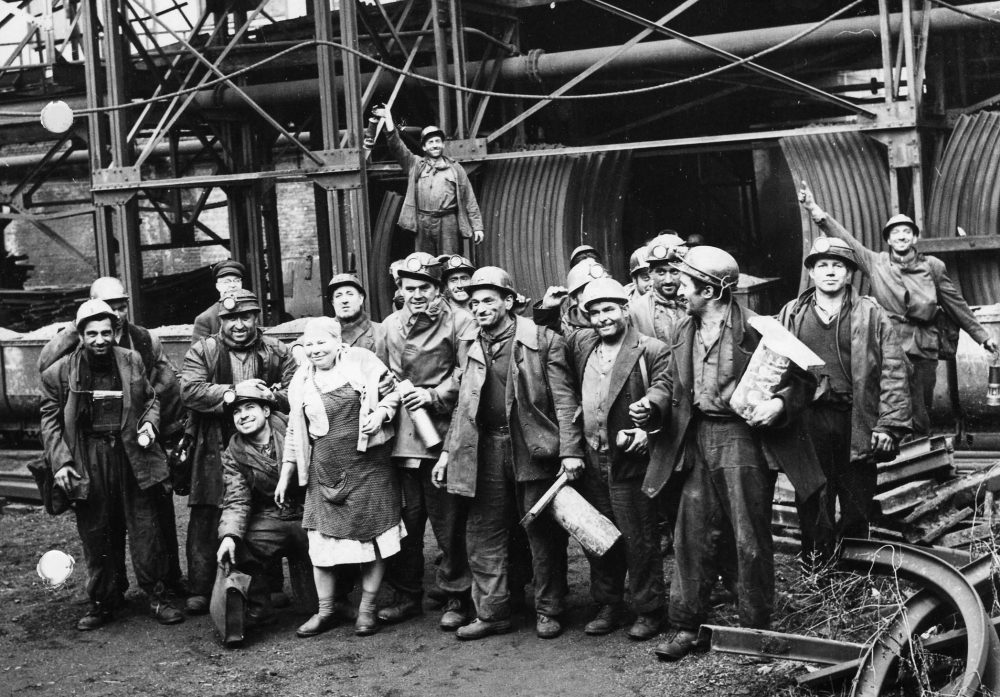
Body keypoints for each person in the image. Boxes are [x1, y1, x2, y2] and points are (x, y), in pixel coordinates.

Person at [639, 247, 824, 661]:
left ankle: (755, 629)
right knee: (692, 533)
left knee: (748, 534)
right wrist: (652, 404)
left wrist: (778, 405)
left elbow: (806, 379)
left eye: (685, 284)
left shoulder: (760, 329)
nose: (677, 290)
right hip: (696, 437)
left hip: (741, 439)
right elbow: (669, 381)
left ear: (710, 289)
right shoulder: (683, 330)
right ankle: (687, 625)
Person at [432, 267, 585, 640]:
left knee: (542, 534)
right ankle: (492, 612)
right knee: (483, 533)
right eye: (474, 302)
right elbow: (463, 405)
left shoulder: (544, 340)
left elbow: (564, 401)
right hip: (483, 449)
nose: (480, 307)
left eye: (488, 300)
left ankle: (549, 610)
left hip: (532, 449)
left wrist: (569, 451)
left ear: (508, 300)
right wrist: (449, 453)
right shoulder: (470, 344)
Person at [798, 184, 999, 435]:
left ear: (914, 238)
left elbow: (955, 304)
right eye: (896, 232)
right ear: (888, 239)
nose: (901, 236)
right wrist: (814, 210)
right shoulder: (876, 263)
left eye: (907, 231)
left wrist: (983, 336)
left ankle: (922, 454)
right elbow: (846, 239)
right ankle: (895, 453)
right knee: (890, 399)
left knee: (920, 403)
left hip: (923, 346)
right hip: (887, 344)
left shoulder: (933, 267)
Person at [36, 276, 186, 597]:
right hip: (89, 456)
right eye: (92, 334)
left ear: (114, 329)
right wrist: (62, 463)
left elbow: (151, 399)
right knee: (97, 530)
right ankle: (104, 600)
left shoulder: (133, 357)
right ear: (80, 335)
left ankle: (158, 595)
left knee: (146, 527)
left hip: (132, 452)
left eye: (106, 332)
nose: (100, 340)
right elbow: (49, 421)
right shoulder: (60, 371)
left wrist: (151, 425)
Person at [777, 237, 911, 554]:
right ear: (811, 272)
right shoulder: (792, 313)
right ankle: (816, 570)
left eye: (838, 265)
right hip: (808, 420)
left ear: (849, 273)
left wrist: (888, 425)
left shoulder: (870, 314)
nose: (830, 272)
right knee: (812, 495)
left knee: (857, 500)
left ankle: (855, 573)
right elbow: (775, 367)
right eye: (822, 265)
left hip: (856, 418)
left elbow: (894, 368)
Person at [558, 277, 670, 641]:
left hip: (630, 462)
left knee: (639, 538)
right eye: (594, 312)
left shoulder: (650, 349)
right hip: (593, 458)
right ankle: (610, 604)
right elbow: (551, 339)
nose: (602, 318)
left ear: (625, 309)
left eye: (609, 309)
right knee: (598, 537)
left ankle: (649, 609)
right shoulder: (584, 346)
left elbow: (665, 386)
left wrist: (649, 412)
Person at [276, 317, 403, 637]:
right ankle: (326, 610)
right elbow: (295, 430)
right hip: (325, 469)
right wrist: (285, 474)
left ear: (338, 342)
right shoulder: (301, 381)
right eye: (310, 344)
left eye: (322, 342)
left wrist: (381, 414)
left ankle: (367, 610)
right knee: (321, 545)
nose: (316, 350)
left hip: (369, 467)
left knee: (373, 539)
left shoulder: (361, 362)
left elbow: (394, 392)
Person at [180, 289, 297, 615]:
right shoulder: (204, 350)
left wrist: (272, 399)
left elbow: (296, 390)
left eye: (246, 316)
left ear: (257, 317)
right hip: (213, 444)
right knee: (207, 515)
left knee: (264, 509)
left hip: (265, 443)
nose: (239, 324)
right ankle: (202, 588)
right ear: (221, 320)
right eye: (231, 318)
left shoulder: (276, 350)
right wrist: (235, 393)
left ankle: (267, 587)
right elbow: (189, 389)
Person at [379, 252, 475, 630]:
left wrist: (433, 395)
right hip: (401, 439)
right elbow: (377, 371)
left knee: (449, 521)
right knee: (406, 521)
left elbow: (467, 371)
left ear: (438, 289)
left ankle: (456, 596)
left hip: (441, 436)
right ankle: (407, 596)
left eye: (425, 288)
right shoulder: (389, 325)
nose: (417, 295)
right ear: (400, 289)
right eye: (409, 288)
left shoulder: (460, 321)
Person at [216, 381, 307, 637]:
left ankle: (334, 599)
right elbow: (236, 499)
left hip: (309, 512)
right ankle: (259, 607)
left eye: (249, 407)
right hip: (272, 517)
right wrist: (230, 536)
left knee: (313, 606)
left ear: (266, 411)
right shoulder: (234, 452)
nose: (242, 415)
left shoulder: (295, 426)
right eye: (236, 411)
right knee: (239, 546)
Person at [373, 105, 485, 256]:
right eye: (430, 142)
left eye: (437, 141)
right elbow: (396, 146)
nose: (435, 145)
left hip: (448, 222)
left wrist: (477, 226)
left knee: (449, 262)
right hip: (423, 221)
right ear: (424, 147)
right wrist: (388, 118)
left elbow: (469, 198)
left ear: (443, 144)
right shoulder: (415, 164)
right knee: (425, 264)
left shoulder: (455, 168)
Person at [630, 234, 687, 343]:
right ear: (650, 273)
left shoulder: (693, 304)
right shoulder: (637, 310)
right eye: (661, 272)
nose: (668, 280)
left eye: (674, 272)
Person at [533, 258, 609, 335]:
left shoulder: (616, 316)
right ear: (574, 296)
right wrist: (546, 311)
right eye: (586, 290)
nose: (596, 296)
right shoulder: (566, 327)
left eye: (600, 288)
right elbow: (549, 340)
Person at [327, 273, 388, 363]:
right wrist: (298, 346)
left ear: (360, 298)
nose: (344, 300)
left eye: (350, 294)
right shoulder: (325, 332)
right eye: (338, 296)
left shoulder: (381, 332)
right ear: (333, 302)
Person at [192, 260, 245, 342]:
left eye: (237, 280)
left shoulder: (250, 312)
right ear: (218, 286)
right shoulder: (206, 318)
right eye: (226, 282)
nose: (233, 285)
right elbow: (198, 353)